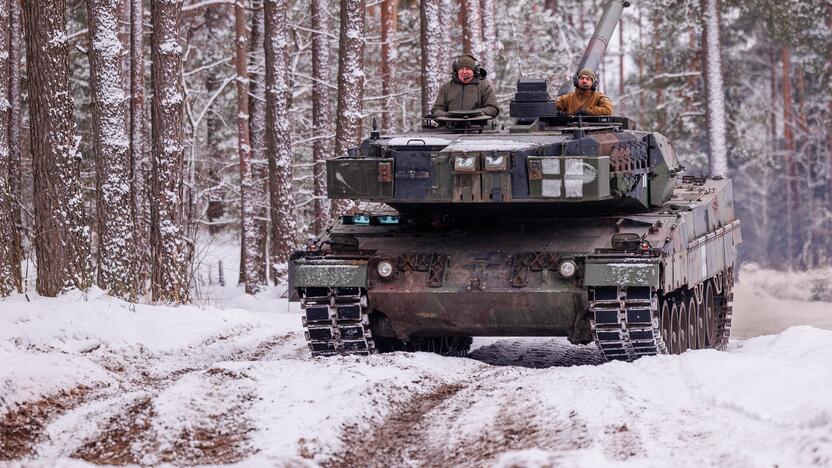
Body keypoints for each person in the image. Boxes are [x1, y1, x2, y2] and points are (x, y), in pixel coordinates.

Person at [431, 54, 500, 119]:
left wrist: (476, 114)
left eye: (468, 69)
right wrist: (448, 116)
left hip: (478, 128)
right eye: (461, 69)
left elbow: (493, 108)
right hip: (450, 128)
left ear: (475, 71)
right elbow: (436, 109)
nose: (464, 72)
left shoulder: (484, 86)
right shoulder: (446, 88)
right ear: (457, 71)